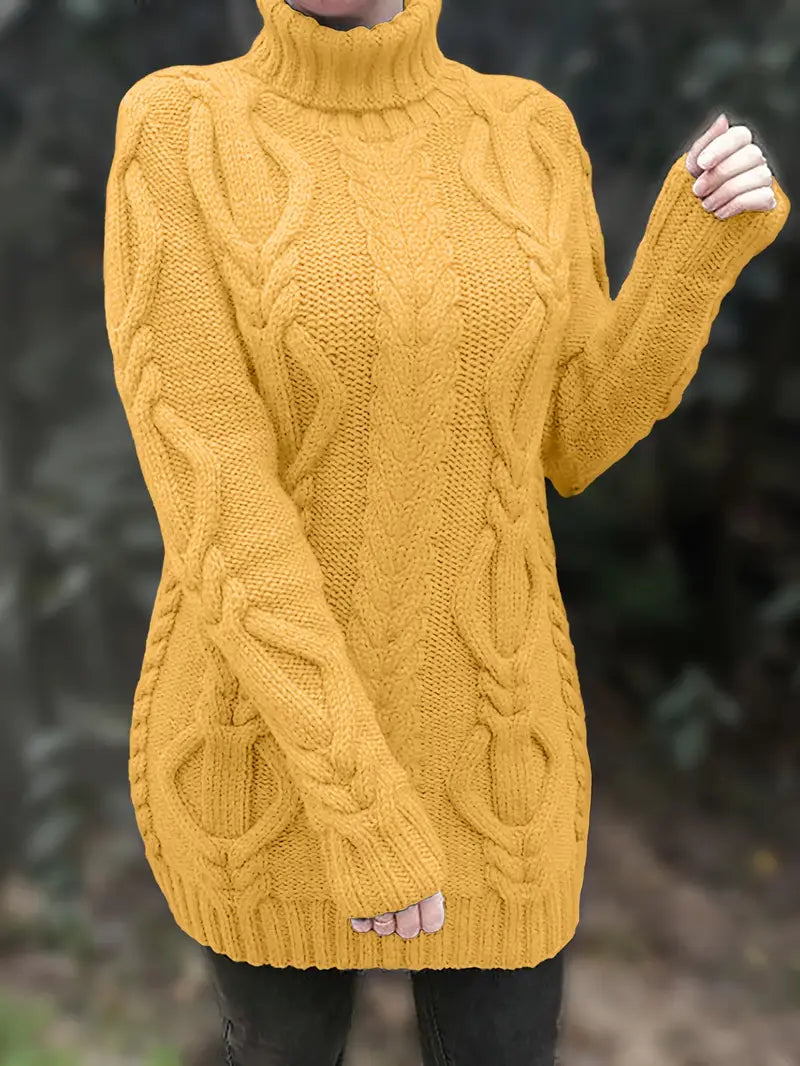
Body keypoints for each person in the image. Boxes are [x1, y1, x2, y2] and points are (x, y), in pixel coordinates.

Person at [102, 0, 789, 1061]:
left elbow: (572, 434)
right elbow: (219, 502)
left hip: (494, 748)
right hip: (272, 757)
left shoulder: (526, 129)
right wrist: (359, 804)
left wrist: (691, 255)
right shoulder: (181, 127)